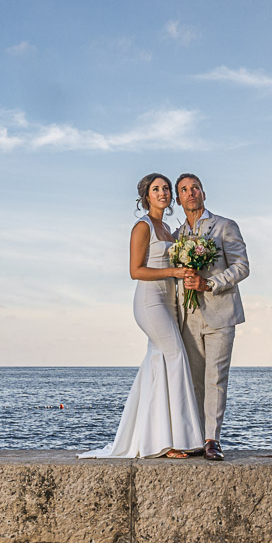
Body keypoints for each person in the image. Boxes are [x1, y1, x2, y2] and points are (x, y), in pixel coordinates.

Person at [79, 174, 205, 459]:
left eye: (165, 189)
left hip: (169, 301)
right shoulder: (143, 226)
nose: (162, 193)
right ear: (146, 196)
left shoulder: (170, 230)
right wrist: (173, 271)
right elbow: (135, 271)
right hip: (149, 301)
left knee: (158, 363)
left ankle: (154, 439)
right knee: (175, 356)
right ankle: (177, 441)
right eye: (156, 189)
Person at [175, 173, 250, 461]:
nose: (190, 193)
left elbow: (242, 267)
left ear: (203, 193)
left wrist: (210, 283)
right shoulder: (177, 235)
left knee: (215, 378)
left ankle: (212, 440)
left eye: (195, 188)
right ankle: (195, 437)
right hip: (188, 317)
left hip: (221, 312)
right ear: (179, 199)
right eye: (184, 189)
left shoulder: (225, 226)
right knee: (193, 380)